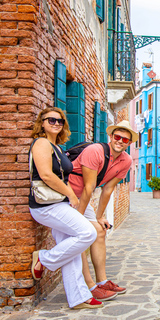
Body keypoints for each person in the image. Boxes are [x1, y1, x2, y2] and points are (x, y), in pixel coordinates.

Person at [29, 107, 102, 310]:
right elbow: (46, 175)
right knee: (87, 233)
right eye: (51, 120)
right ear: (41, 123)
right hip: (45, 206)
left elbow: (64, 177)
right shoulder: (41, 143)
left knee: (70, 248)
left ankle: (78, 297)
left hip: (59, 204)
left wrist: (73, 198)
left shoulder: (58, 148)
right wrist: (70, 194)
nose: (55, 124)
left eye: (60, 121)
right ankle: (44, 258)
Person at [69, 120, 137, 301]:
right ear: (111, 137)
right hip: (68, 194)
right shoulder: (95, 151)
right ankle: (88, 285)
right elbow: (89, 187)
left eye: (125, 139)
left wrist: (100, 216)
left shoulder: (126, 160)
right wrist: (79, 218)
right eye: (117, 137)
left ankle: (101, 281)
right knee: (82, 233)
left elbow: (107, 189)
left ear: (129, 143)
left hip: (83, 197)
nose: (120, 141)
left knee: (100, 231)